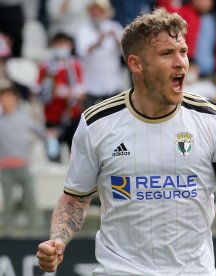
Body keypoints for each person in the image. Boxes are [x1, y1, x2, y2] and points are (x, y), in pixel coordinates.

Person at [36, 8, 216, 275]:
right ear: (136, 64)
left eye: (183, 51)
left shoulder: (211, 119)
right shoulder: (97, 123)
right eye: (167, 53)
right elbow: (75, 197)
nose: (180, 61)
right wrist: (57, 241)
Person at [0, 81, 46, 236]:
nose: (5, 101)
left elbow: (42, 133)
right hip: (5, 167)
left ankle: (34, 235)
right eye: (3, 98)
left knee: (30, 200)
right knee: (8, 203)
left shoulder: (25, 118)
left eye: (8, 98)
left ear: (15, 99)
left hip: (23, 165)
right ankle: (8, 235)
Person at [32, 32, 86, 161]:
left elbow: (82, 92)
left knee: (75, 156)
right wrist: (48, 90)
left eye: (64, 44)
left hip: (71, 116)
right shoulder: (46, 66)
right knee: (52, 153)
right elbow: (36, 91)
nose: (61, 47)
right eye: (58, 44)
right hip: (52, 118)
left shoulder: (75, 65)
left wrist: (66, 92)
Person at [74, 0, 125, 109]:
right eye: (93, 10)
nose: (96, 12)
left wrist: (115, 38)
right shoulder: (83, 29)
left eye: (99, 10)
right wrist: (98, 41)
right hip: (90, 86)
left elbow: (124, 51)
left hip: (112, 85)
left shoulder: (115, 27)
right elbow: (82, 52)